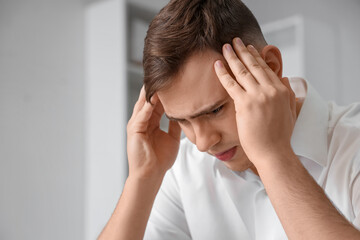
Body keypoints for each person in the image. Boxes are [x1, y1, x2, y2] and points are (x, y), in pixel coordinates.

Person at [99, 0, 360, 239]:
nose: (202, 143)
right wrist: (142, 178)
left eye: (215, 111)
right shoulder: (185, 169)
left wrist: (273, 156)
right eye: (182, 121)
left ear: (270, 66)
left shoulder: (353, 146)